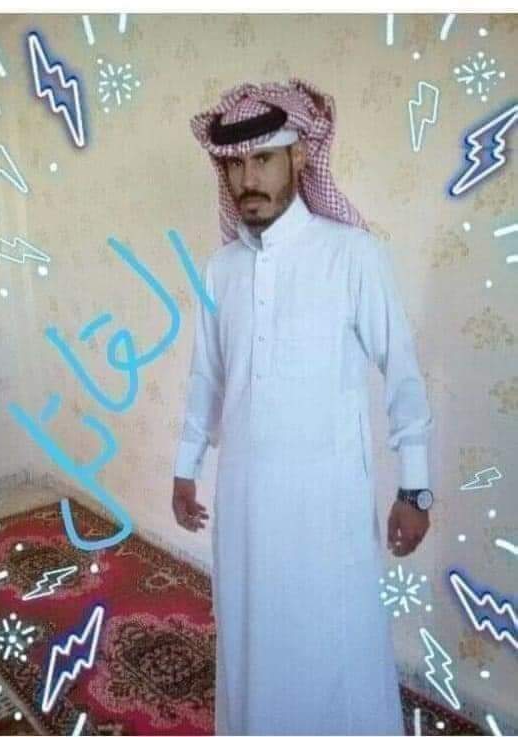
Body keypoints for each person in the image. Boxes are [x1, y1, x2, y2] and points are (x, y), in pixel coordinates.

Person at [172, 77, 434, 736]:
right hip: (243, 503)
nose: (247, 179)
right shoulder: (220, 270)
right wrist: (185, 466)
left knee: (333, 648)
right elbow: (207, 376)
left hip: (325, 508)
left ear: (298, 157)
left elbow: (402, 372)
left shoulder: (352, 255)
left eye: (262, 158)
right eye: (235, 164)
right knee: (251, 641)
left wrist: (416, 487)